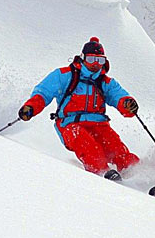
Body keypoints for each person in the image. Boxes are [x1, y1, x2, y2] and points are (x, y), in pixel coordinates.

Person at [18, 37, 139, 175]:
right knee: (89, 147)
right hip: (70, 124)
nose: (96, 64)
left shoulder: (105, 82)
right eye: (91, 59)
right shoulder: (64, 75)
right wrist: (31, 107)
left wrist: (127, 104)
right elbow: (43, 92)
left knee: (116, 148)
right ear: (83, 58)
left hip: (99, 125)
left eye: (100, 60)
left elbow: (119, 96)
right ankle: (102, 175)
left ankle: (137, 177)